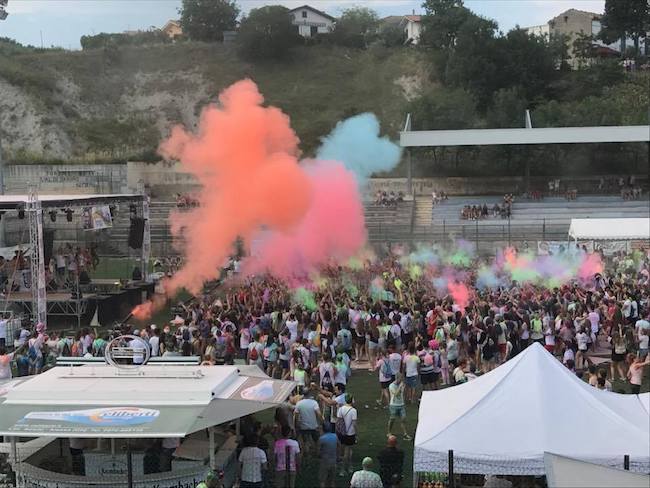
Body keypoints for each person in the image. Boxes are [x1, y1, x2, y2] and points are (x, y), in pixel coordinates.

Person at [293, 390, 322, 456]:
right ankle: (317, 453)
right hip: (313, 425)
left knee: (305, 441)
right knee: (316, 440)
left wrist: (296, 424)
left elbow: (296, 415)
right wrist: (320, 422)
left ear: (303, 395)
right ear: (309, 394)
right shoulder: (314, 403)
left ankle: (306, 454)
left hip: (303, 426)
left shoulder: (299, 403)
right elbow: (319, 413)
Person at [337, 393, 358, 476]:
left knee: (344, 451)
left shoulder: (341, 409)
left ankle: (349, 466)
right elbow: (354, 424)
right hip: (350, 433)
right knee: (348, 451)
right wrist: (357, 433)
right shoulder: (353, 411)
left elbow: (338, 421)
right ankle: (344, 469)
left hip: (342, 432)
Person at [387, 373, 411, 440]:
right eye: (401, 379)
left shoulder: (402, 384)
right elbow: (396, 394)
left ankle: (405, 434)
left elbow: (402, 394)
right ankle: (389, 432)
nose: (402, 380)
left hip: (401, 405)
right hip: (393, 405)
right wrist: (400, 387)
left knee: (403, 419)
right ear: (397, 378)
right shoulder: (391, 386)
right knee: (392, 419)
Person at [318, 423, 338, 488]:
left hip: (325, 461)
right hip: (333, 461)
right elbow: (339, 446)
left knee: (323, 480)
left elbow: (318, 451)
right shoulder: (335, 436)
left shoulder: (322, 439)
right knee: (332, 481)